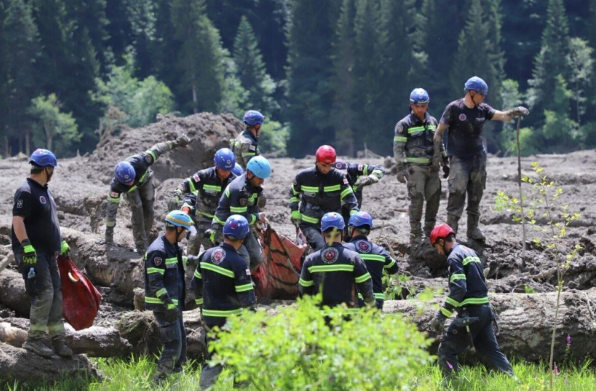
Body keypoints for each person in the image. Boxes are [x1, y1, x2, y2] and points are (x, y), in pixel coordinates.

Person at [432, 76, 529, 241]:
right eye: (481, 94)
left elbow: (503, 116)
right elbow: (439, 133)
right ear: (471, 93)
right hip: (458, 160)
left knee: (476, 195)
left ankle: (473, 230)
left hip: (478, 159)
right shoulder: (454, 108)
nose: (483, 97)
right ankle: (451, 232)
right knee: (456, 195)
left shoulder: (482, 109)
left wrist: (515, 111)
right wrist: (440, 156)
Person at [428, 223, 513, 379]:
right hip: (485, 310)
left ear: (441, 241)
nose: (439, 252)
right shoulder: (471, 252)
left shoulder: (454, 257)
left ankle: (454, 386)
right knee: (491, 350)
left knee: (446, 350)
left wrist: (442, 315)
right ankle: (514, 382)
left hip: (471, 314)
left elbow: (459, 289)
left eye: (437, 247)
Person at [11, 149, 72, 358]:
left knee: (56, 294)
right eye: (52, 169)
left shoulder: (44, 191)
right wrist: (26, 245)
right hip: (32, 253)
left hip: (48, 252)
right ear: (46, 168)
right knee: (44, 293)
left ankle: (59, 342)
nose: (52, 172)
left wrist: (60, 242)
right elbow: (17, 220)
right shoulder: (26, 191)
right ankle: (34, 341)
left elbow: (49, 222)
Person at [192, 215, 257, 390]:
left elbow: (195, 286)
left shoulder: (206, 255)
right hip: (232, 323)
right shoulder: (238, 262)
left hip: (210, 320)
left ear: (224, 233)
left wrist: (201, 311)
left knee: (213, 360)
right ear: (242, 239)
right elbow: (247, 300)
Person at [104, 134, 191, 252]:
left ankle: (146, 235)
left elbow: (159, 148)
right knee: (138, 209)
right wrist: (108, 236)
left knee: (149, 209)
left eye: (131, 179)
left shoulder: (142, 161)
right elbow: (111, 210)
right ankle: (141, 245)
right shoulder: (116, 187)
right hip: (132, 192)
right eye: (127, 182)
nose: (130, 182)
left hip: (146, 180)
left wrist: (177, 142)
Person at [144, 210, 198, 383]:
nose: (186, 236)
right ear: (176, 229)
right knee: (173, 345)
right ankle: (158, 382)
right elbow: (155, 282)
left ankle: (175, 381)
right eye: (185, 231)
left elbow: (174, 264)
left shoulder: (171, 247)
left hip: (174, 304)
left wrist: (191, 260)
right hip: (164, 305)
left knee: (181, 344)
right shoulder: (158, 251)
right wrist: (168, 304)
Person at [394, 88, 445, 247]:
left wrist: (444, 160)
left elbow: (439, 143)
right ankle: (415, 235)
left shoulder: (433, 122)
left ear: (427, 105)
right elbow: (398, 148)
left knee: (434, 200)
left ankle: (429, 233)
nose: (420, 109)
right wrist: (401, 168)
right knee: (417, 201)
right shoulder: (404, 124)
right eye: (417, 106)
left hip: (433, 168)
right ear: (411, 105)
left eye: (423, 105)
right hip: (415, 169)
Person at [298, 212, 375, 312]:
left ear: (322, 233)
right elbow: (366, 288)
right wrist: (372, 307)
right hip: (349, 319)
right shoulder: (353, 258)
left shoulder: (311, 260)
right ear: (343, 232)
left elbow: (303, 291)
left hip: (321, 320)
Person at [289, 145, 359, 251]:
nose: (326, 169)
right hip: (309, 224)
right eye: (323, 165)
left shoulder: (338, 177)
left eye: (330, 165)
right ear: (317, 161)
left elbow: (349, 197)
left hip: (332, 224)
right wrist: (294, 210)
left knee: (335, 249)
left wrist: (354, 211)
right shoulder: (303, 177)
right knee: (322, 247)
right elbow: (293, 194)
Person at [169, 148, 237, 255]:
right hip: (201, 219)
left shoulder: (234, 182)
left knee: (217, 246)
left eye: (229, 170)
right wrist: (177, 194)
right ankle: (190, 265)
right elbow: (186, 185)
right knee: (194, 238)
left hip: (220, 221)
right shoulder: (204, 176)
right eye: (223, 170)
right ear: (217, 165)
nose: (226, 173)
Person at [212, 155, 270, 269]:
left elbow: (251, 209)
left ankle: (244, 279)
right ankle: (237, 282)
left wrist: (256, 225)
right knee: (244, 258)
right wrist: (257, 217)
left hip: (241, 227)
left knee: (257, 258)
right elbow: (238, 218)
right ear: (249, 174)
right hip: (224, 227)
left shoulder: (253, 186)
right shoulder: (239, 189)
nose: (262, 182)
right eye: (260, 178)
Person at [343, 211, 398, 310]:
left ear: (351, 229)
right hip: (377, 301)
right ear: (368, 231)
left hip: (354, 301)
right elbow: (394, 268)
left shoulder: (345, 250)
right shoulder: (379, 250)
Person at [332, 160, 385, 227]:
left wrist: (370, 179)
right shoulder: (325, 174)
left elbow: (379, 168)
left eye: (343, 175)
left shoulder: (353, 168)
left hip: (353, 207)